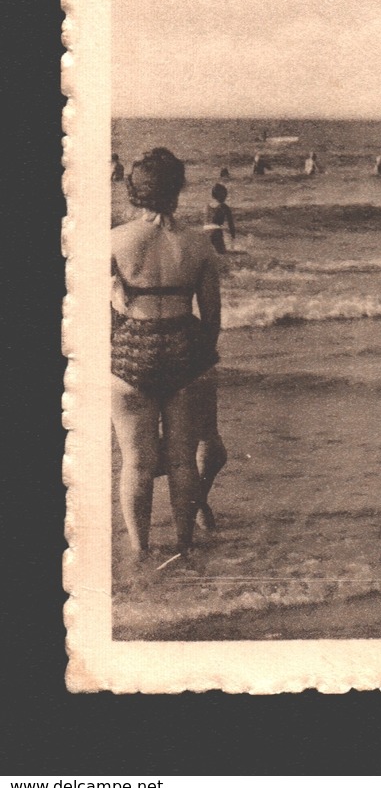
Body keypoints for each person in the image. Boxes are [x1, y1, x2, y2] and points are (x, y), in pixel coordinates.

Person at [111, 148, 224, 560]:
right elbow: (212, 319)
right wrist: (195, 359)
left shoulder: (114, 241)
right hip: (184, 352)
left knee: (136, 464)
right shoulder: (199, 246)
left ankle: (141, 552)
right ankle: (183, 548)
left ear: (133, 192)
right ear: (178, 190)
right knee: (181, 463)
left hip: (128, 356)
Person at [203, 183, 237, 254]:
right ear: (222, 195)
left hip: (205, 232)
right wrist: (233, 237)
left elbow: (205, 220)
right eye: (225, 194)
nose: (226, 196)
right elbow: (231, 224)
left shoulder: (207, 206)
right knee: (222, 255)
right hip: (216, 232)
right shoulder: (224, 207)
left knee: (210, 254)